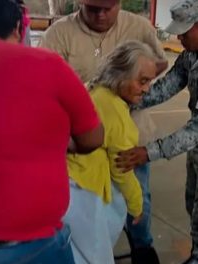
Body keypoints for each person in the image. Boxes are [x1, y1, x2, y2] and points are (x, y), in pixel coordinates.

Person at [116, 0, 198, 259]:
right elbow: (168, 85)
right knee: (193, 207)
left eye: (185, 32)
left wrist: (150, 151)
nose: (179, 37)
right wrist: (128, 98)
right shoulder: (192, 54)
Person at [39, 0, 168, 262]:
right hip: (87, 153)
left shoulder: (140, 27)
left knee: (122, 205)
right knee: (114, 214)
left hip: (123, 140)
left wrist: (136, 85)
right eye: (93, 8)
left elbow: (159, 64)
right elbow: (43, 83)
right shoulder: (59, 33)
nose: (100, 15)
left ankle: (142, 249)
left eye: (107, 8)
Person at [0, 0, 104, 263]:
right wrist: (61, 142)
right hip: (35, 247)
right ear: (17, 27)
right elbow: (93, 138)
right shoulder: (49, 66)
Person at [65, 41, 158, 264]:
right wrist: (136, 205)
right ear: (120, 75)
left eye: (149, 82)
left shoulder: (95, 89)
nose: (146, 89)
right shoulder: (114, 110)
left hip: (68, 182)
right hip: (85, 191)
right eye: (142, 81)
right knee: (94, 255)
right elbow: (122, 168)